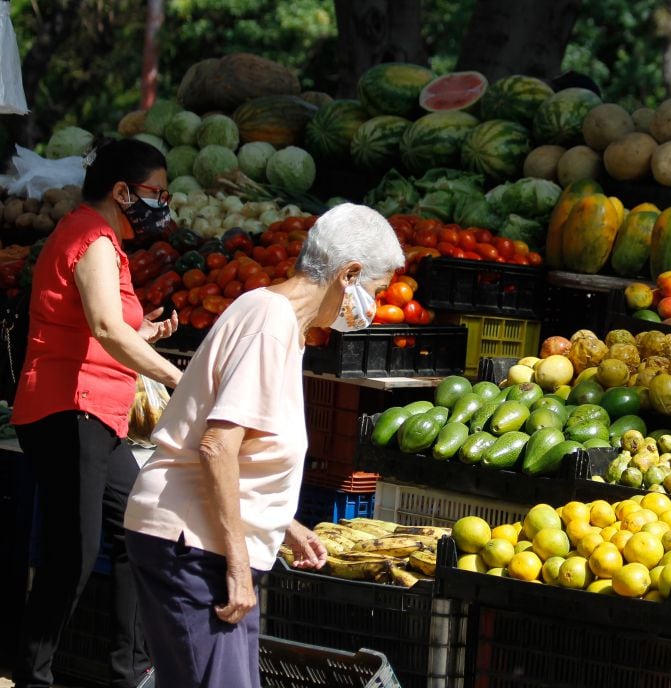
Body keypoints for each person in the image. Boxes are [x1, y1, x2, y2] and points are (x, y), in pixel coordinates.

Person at [123, 203, 405, 687]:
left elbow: (241, 450)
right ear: (349, 274)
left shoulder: (274, 322)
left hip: (195, 539)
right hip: (195, 545)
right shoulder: (270, 325)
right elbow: (217, 446)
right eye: (375, 290)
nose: (371, 306)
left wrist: (284, 525)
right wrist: (236, 566)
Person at [11, 138, 184, 688]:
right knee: (73, 558)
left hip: (98, 415)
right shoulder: (91, 237)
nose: (163, 203)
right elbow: (106, 330)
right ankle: (33, 676)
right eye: (157, 192)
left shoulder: (101, 237)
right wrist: (173, 375)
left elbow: (103, 324)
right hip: (70, 410)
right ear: (121, 191)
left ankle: (129, 670)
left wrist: (145, 332)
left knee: (141, 531)